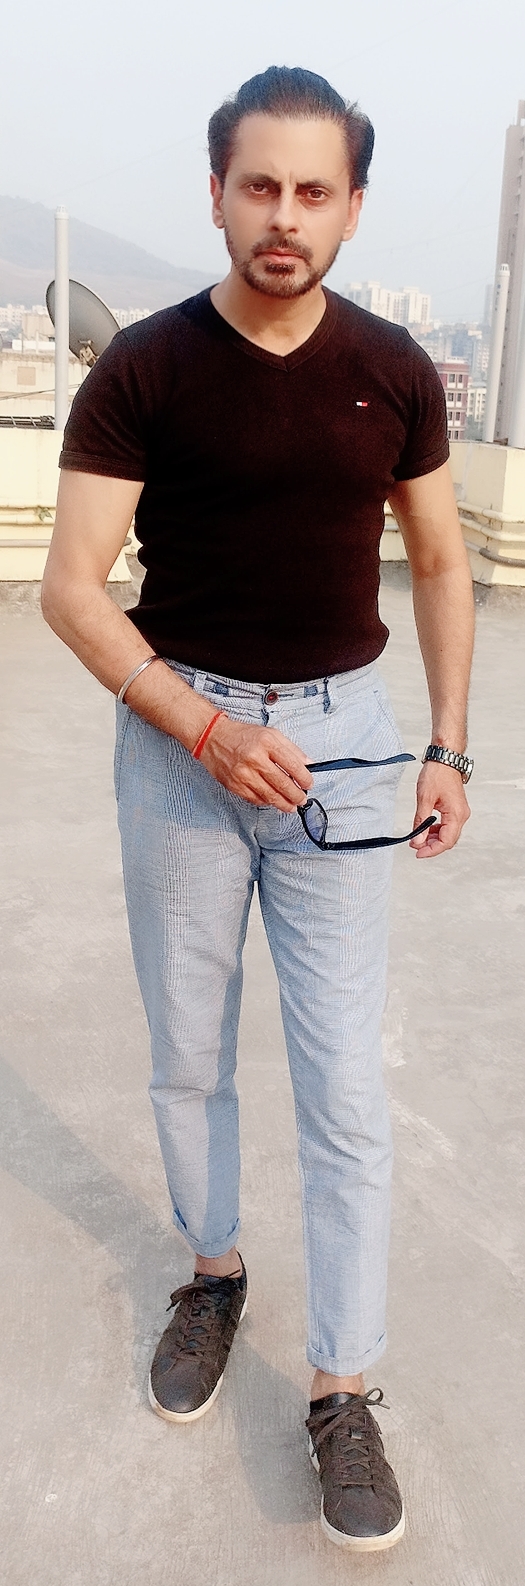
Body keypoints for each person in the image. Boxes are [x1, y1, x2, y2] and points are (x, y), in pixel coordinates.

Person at [42, 65, 474, 1552]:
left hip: (345, 748)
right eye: (259, 186)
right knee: (187, 1049)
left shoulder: (394, 369)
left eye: (313, 191)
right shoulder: (146, 368)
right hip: (183, 739)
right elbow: (73, 589)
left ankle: (341, 1382)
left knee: (341, 1078)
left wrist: (449, 744)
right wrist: (207, 728)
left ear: (352, 207)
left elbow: (436, 560)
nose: (284, 216)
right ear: (218, 194)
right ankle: (214, 1271)